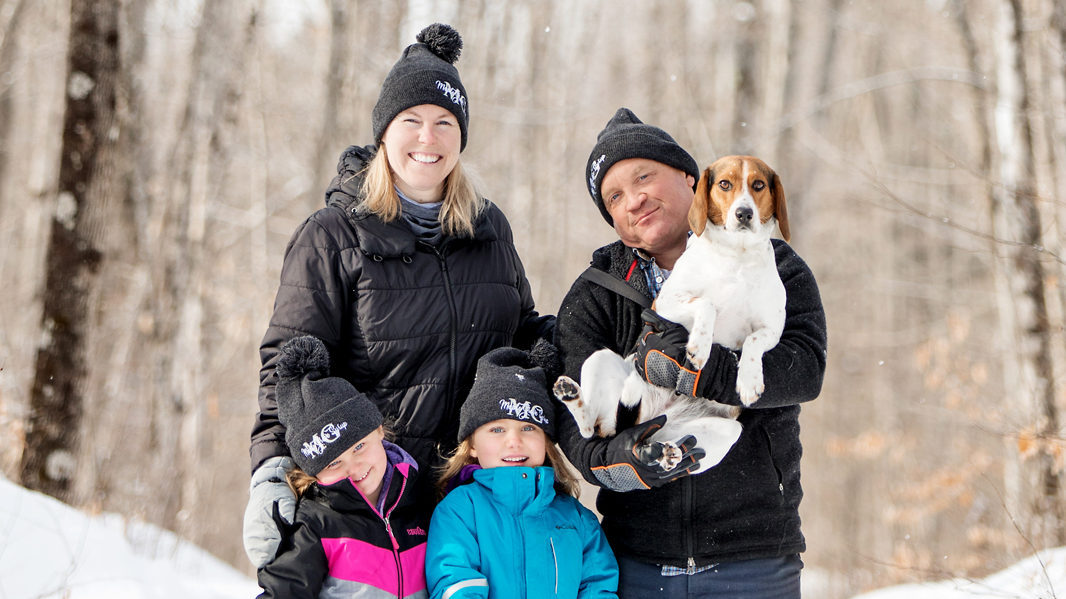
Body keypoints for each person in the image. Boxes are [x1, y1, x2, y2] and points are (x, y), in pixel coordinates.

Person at [244, 23, 554, 568]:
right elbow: (290, 368)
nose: (427, 139)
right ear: (385, 133)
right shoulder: (333, 235)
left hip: (474, 500)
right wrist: (271, 470)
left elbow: (520, 333)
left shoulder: (488, 228)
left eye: (444, 123)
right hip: (370, 501)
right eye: (411, 121)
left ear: (461, 136)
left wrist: (584, 341)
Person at [553, 108, 827, 598]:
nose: (634, 199)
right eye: (614, 196)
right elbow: (572, 423)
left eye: (644, 177)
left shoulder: (776, 264)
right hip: (637, 561)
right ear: (612, 217)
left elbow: (805, 371)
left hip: (753, 556)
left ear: (690, 179)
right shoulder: (595, 294)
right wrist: (619, 461)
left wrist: (706, 373)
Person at [426, 345, 619, 599]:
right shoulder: (459, 511)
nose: (514, 441)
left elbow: (598, 586)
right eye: (497, 430)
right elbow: (455, 582)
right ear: (471, 444)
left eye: (528, 428)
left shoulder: (578, 519)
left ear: (547, 441)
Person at [256, 336, 431, 599]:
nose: (354, 466)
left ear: (379, 430)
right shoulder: (316, 525)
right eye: (334, 462)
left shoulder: (419, 505)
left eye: (359, 447)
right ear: (313, 473)